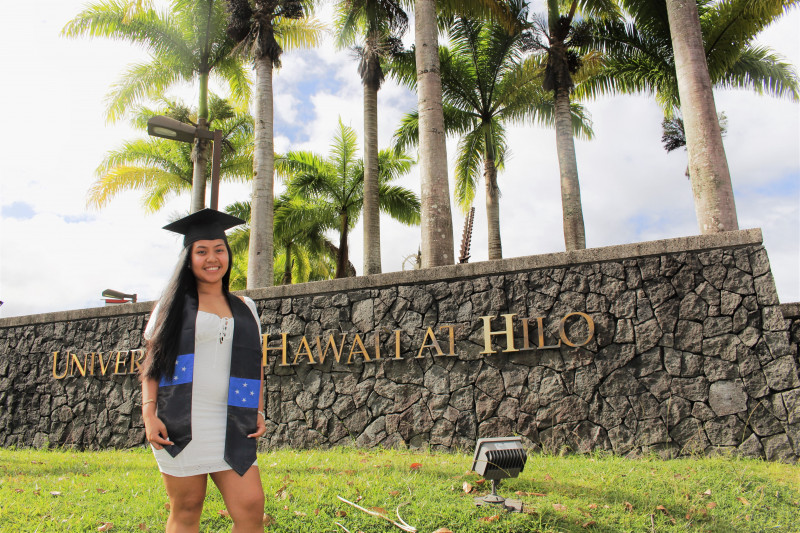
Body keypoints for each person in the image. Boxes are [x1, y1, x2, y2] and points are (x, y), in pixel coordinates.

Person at [141, 209, 266, 532]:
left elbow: (256, 363)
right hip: (182, 420)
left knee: (251, 507)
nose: (212, 258)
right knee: (187, 509)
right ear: (189, 258)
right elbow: (152, 364)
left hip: (231, 421)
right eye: (202, 251)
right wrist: (149, 414)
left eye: (219, 249)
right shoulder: (171, 306)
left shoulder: (245, 307)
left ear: (228, 255)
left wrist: (259, 409)